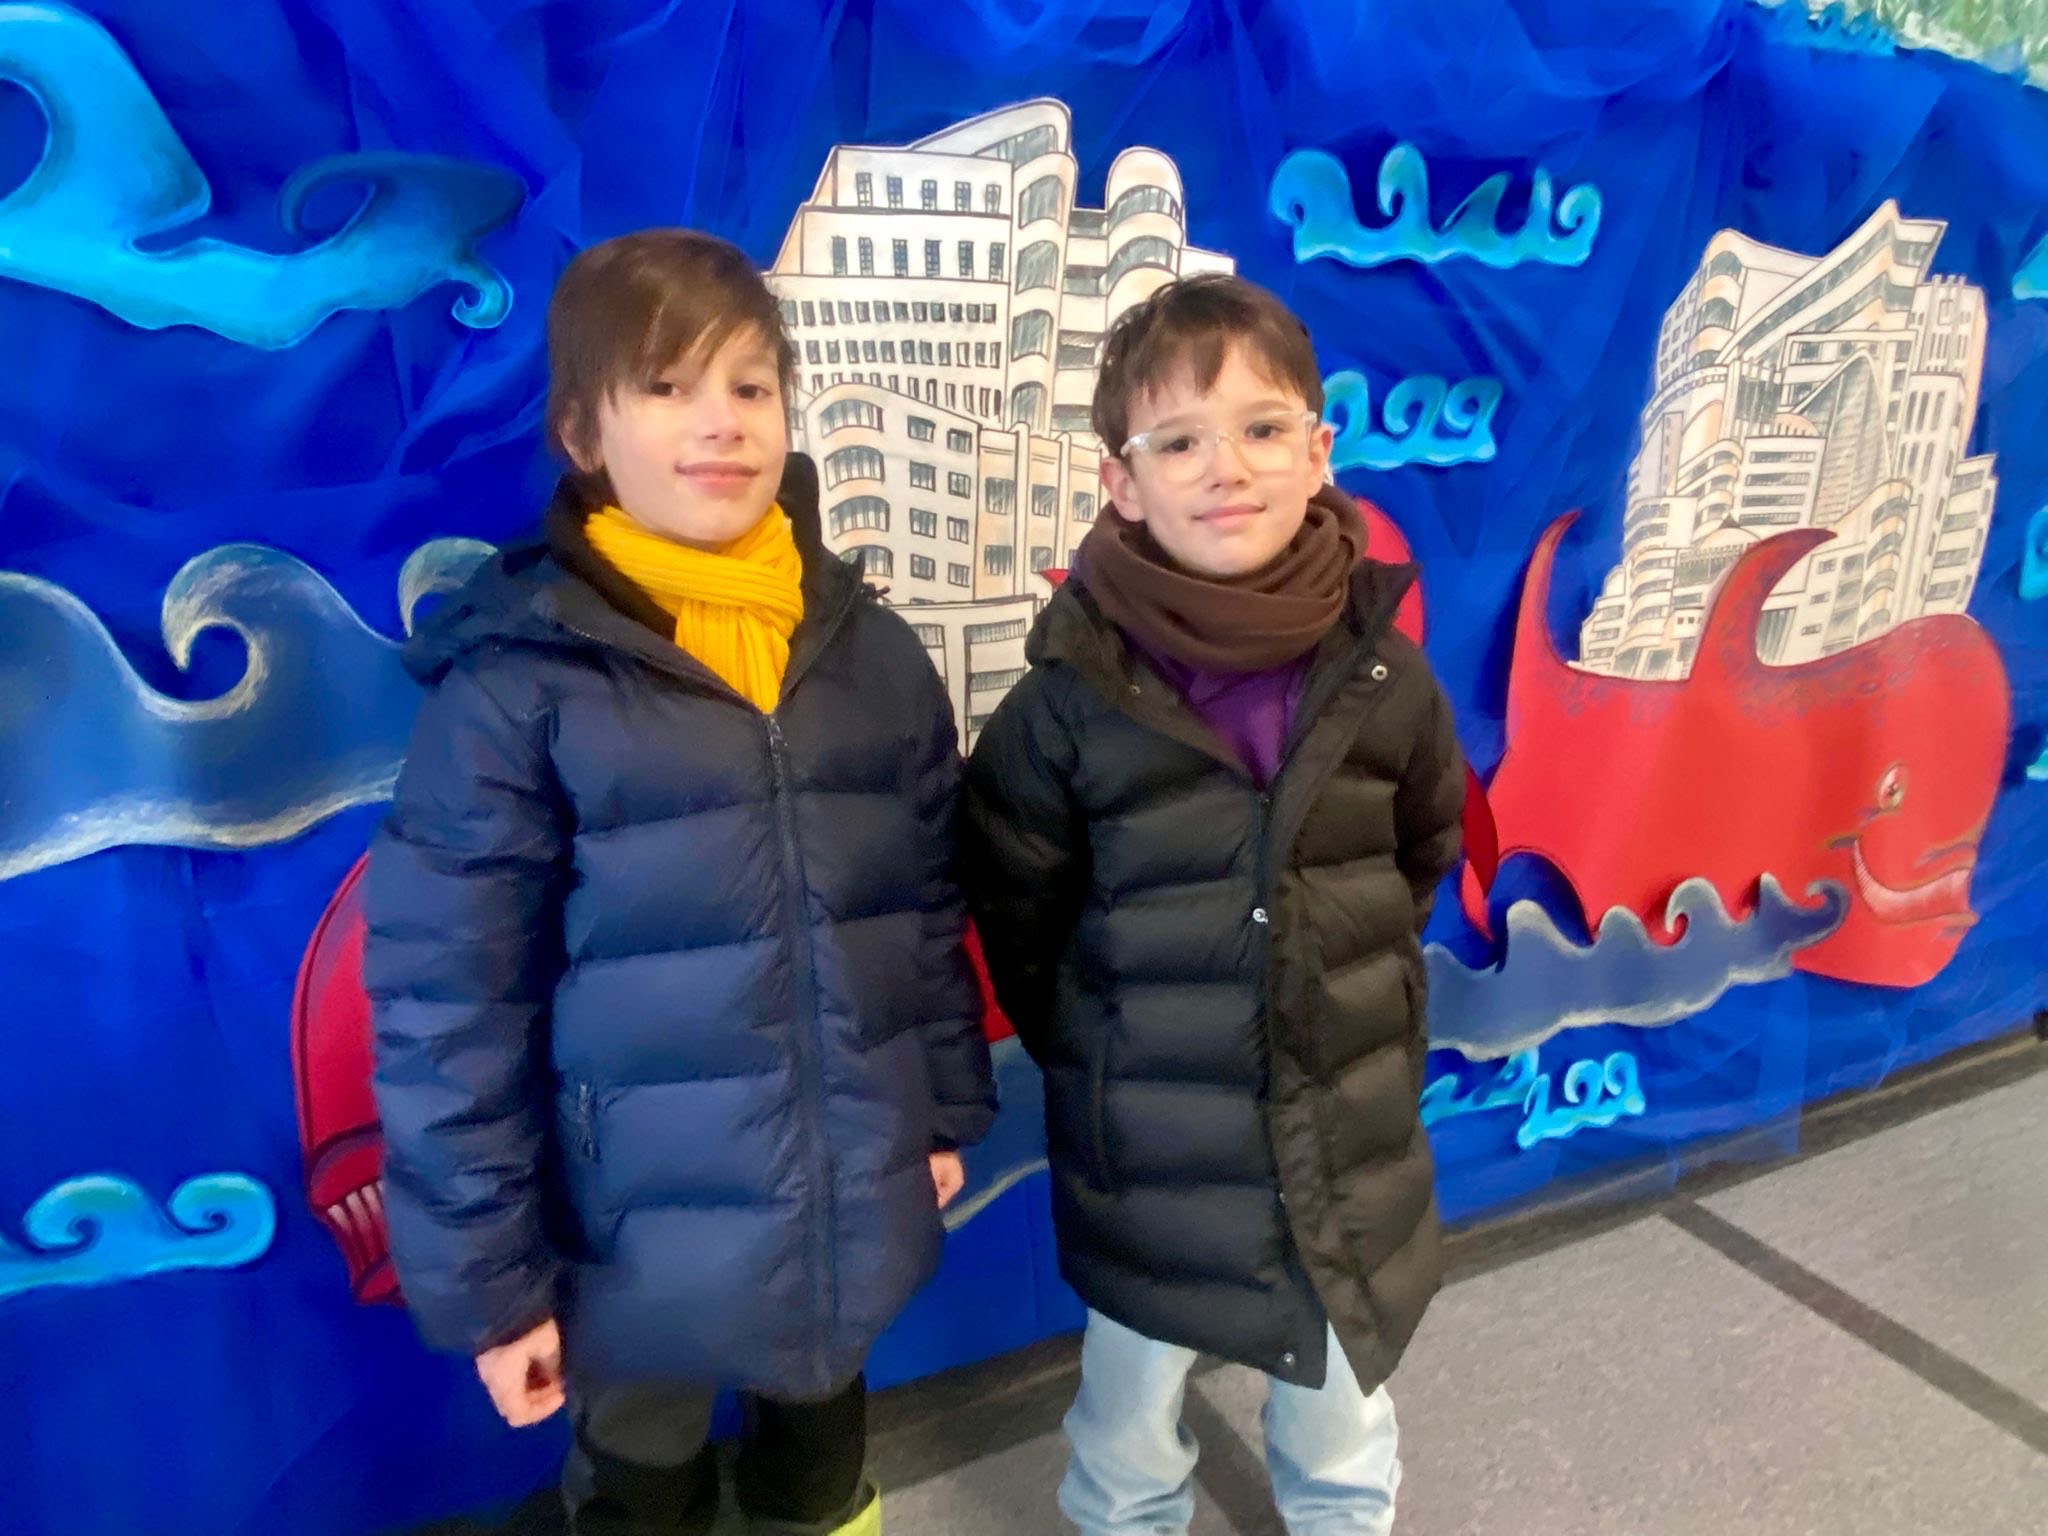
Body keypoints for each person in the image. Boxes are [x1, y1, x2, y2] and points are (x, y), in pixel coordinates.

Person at [364, 228, 996, 1536]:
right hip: (627, 1239)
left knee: (820, 1469)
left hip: (842, 1198)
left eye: (751, 386)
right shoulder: (517, 687)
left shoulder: (869, 654)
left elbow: (923, 913)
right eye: (667, 387)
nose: (722, 422)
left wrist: (936, 1111)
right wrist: (494, 1289)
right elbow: (447, 1010)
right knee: (639, 1484)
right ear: (581, 433)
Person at [961, 273, 1464, 1536]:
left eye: (1260, 428)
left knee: (1341, 1397)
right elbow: (1020, 915)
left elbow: (1416, 856)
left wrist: (1329, 984)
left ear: (1318, 450)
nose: (1224, 467)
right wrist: (1108, 1047)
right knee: (1128, 1407)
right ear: (1121, 484)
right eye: (1177, 441)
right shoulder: (1064, 707)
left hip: (1337, 1121)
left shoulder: (1385, 676)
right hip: (1151, 1145)